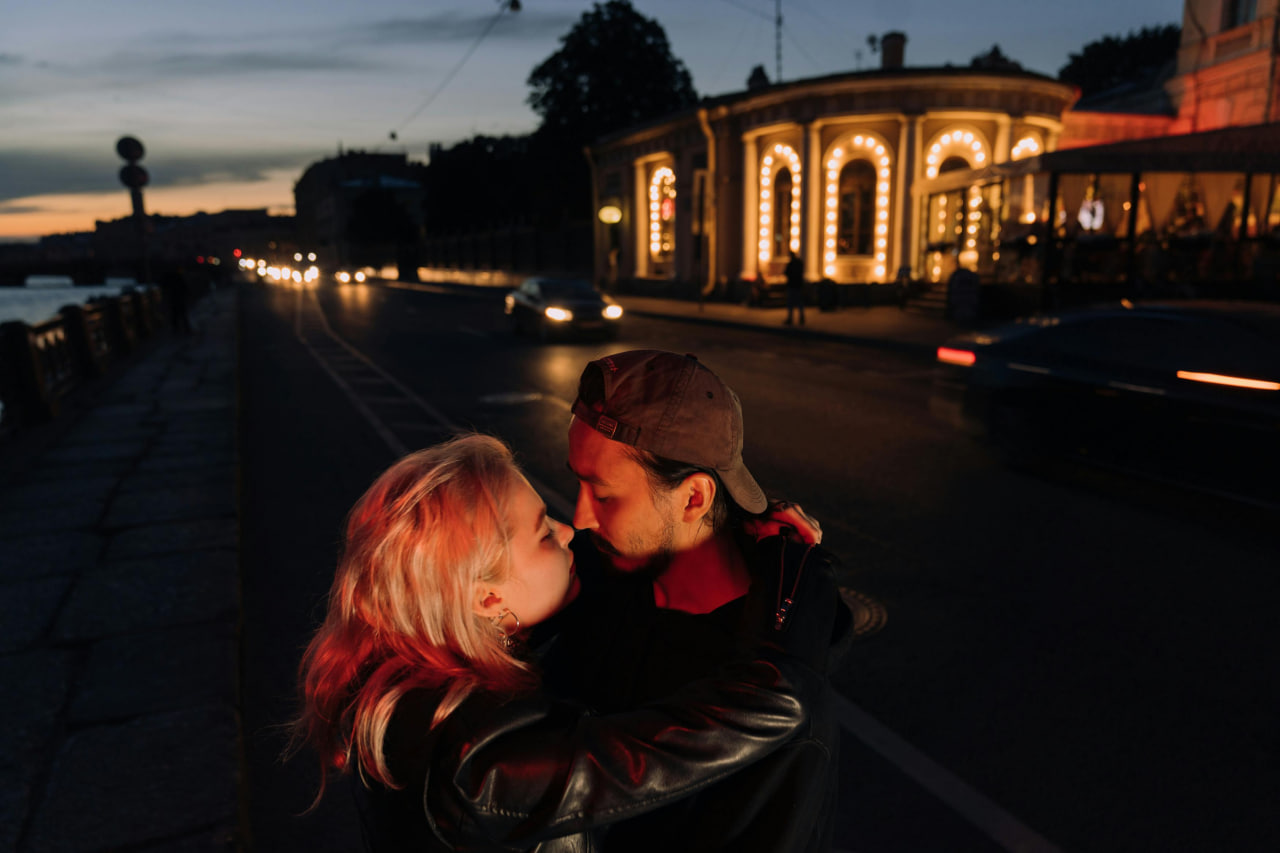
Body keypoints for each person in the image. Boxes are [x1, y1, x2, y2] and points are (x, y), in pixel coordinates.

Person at [290, 433, 838, 852]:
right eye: (542, 533)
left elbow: (580, 584)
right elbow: (773, 703)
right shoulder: (482, 767)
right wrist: (792, 565)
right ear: (486, 597)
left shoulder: (416, 665)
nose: (569, 529)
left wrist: (719, 528)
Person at [547, 349, 852, 852]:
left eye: (603, 495)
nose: (579, 519)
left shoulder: (770, 706)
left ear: (694, 498)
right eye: (577, 481)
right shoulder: (605, 578)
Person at [784, 249, 806, 326]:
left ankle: (790, 318)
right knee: (799, 302)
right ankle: (801, 318)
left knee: (791, 303)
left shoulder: (791, 264)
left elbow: (786, 272)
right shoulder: (799, 263)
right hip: (798, 285)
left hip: (792, 285)